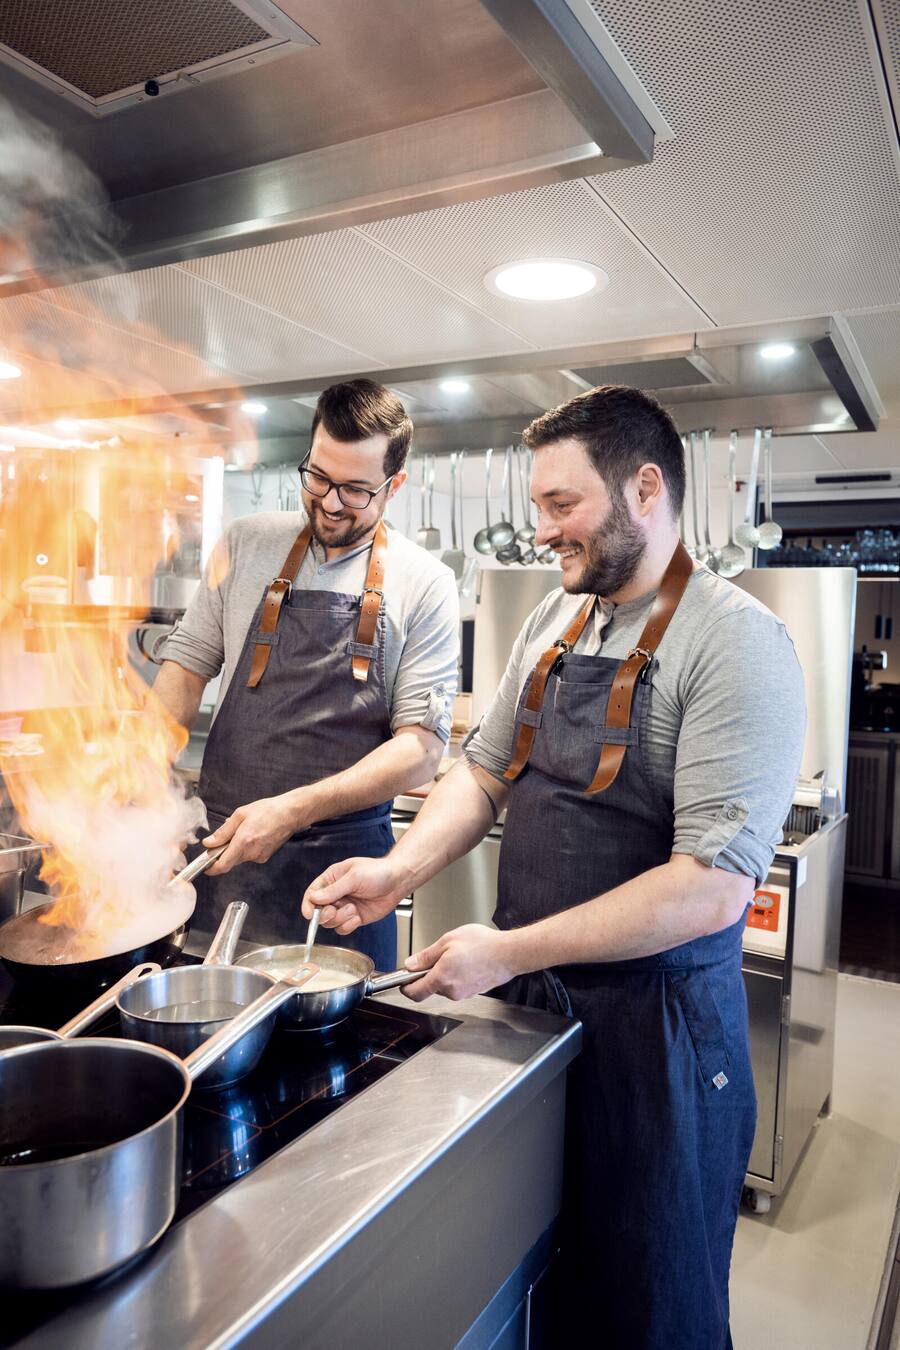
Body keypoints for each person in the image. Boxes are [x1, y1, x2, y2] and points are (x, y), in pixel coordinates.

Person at [300, 385, 806, 1347]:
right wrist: (398, 871)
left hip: (659, 1047)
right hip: (531, 1020)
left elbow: (710, 886)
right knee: (540, 1281)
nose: (542, 530)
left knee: (651, 1309)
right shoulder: (551, 624)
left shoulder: (736, 643)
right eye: (539, 506)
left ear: (645, 488)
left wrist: (508, 948)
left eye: (561, 505)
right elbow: (483, 773)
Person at [153, 379, 459, 967]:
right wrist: (138, 777)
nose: (331, 502)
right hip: (220, 859)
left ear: (394, 486)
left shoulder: (426, 583)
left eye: (355, 489)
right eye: (318, 477)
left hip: (341, 884)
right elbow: (186, 668)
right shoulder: (244, 544)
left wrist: (292, 809)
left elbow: (420, 752)